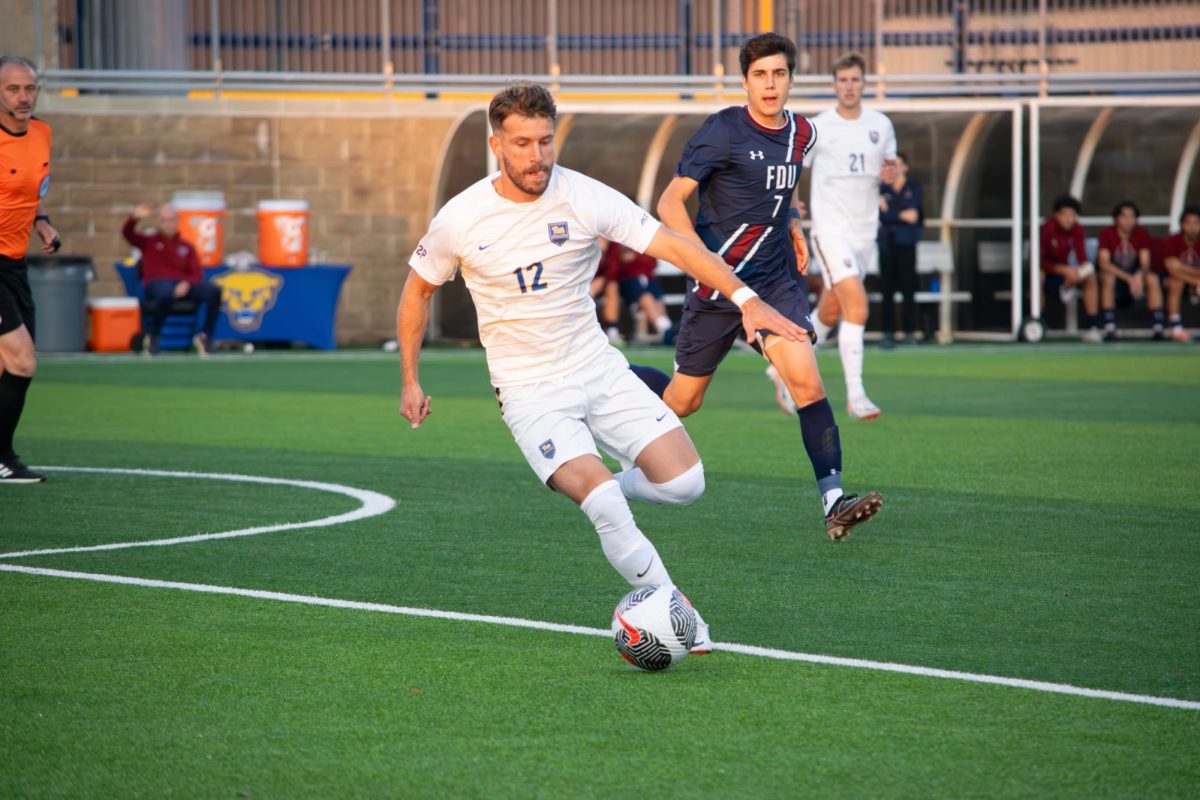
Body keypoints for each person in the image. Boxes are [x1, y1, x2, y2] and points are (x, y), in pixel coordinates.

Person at [398, 82, 809, 651]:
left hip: (598, 367)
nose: (536, 156)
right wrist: (412, 380)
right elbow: (416, 294)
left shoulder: (583, 195)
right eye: (521, 144)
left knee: (687, 484)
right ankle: (678, 616)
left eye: (545, 141)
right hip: (528, 389)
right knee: (608, 509)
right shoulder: (461, 218)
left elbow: (676, 246)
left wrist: (747, 299)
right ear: (497, 145)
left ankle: (601, 485)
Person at [655, 33, 884, 541]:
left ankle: (833, 501)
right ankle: (608, 381)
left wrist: (795, 222)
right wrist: (702, 262)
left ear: (791, 79)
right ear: (745, 82)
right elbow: (670, 204)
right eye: (760, 75)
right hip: (719, 286)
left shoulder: (802, 133)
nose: (770, 84)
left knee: (807, 381)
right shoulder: (722, 131)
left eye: (779, 74)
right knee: (682, 402)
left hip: (775, 283)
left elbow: (787, 187)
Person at [802, 52, 897, 420]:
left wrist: (890, 175)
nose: (849, 87)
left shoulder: (881, 124)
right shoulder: (820, 126)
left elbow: (889, 168)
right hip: (830, 230)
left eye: (855, 80)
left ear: (863, 83)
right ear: (834, 84)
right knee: (857, 305)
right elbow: (797, 168)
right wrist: (794, 212)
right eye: (843, 80)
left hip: (864, 231)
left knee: (830, 307)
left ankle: (781, 368)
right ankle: (856, 395)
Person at [0, 55, 59, 484]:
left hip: (14, 264)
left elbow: (30, 192)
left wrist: (41, 222)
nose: (23, 97)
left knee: (8, 367)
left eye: (30, 88)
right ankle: (2, 457)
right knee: (22, 360)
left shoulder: (42, 133)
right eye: (13, 89)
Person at [122, 201, 223, 356]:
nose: (168, 224)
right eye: (164, 219)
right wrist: (135, 217)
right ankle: (153, 336)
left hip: (183, 285)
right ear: (159, 221)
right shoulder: (149, 241)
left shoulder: (186, 246)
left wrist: (186, 284)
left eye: (171, 219)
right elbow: (127, 234)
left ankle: (205, 336)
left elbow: (196, 273)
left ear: (177, 221)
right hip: (157, 284)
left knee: (214, 291)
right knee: (165, 292)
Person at [1096, 200, 1164, 341]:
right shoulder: (1106, 233)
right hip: (1117, 276)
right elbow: (1104, 263)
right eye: (1124, 216)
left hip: (1136, 277)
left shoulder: (1142, 233)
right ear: (1116, 218)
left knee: (1152, 278)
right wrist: (1128, 278)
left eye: (1132, 217)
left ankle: (1158, 327)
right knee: (1107, 277)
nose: (1128, 221)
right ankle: (1110, 327)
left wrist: (1138, 276)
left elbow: (1145, 262)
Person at [1040, 194, 1102, 343]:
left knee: (1090, 275)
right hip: (1049, 272)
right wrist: (1063, 269)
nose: (1069, 219)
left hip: (1067, 274)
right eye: (1065, 215)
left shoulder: (1077, 230)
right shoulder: (1047, 228)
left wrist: (1080, 270)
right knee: (1038, 276)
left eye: (1073, 215)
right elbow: (1041, 261)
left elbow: (1082, 258)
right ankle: (1039, 322)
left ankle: (1092, 327)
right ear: (1057, 215)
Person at [877, 151, 923, 348]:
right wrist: (899, 214)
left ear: (905, 167)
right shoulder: (881, 188)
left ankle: (910, 331)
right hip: (887, 244)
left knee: (908, 288)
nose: (893, 169)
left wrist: (890, 211)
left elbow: (914, 216)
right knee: (886, 289)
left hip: (907, 243)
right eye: (890, 165)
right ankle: (888, 332)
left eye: (897, 164)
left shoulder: (914, 187)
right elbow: (881, 215)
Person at [600, 238, 675, 345]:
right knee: (645, 297)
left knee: (656, 300)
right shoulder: (615, 242)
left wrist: (636, 258)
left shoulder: (643, 237)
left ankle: (666, 328)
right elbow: (612, 268)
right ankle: (665, 329)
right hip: (627, 280)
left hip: (647, 279)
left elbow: (652, 263)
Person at [1162, 205, 1200, 342]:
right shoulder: (1172, 241)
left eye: (1196, 223)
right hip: (1178, 282)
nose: (1192, 227)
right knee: (1175, 281)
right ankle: (1176, 328)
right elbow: (1172, 268)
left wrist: (1182, 268)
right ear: (1182, 225)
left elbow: (1177, 267)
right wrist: (1195, 282)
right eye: (1188, 223)